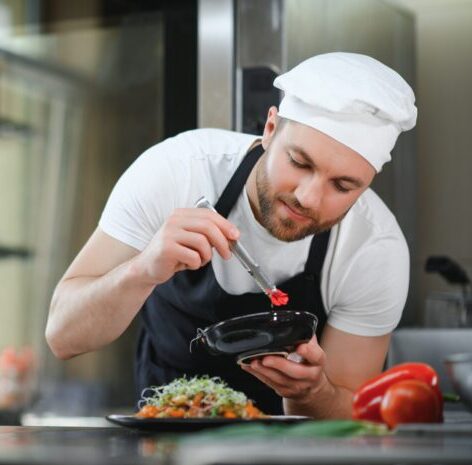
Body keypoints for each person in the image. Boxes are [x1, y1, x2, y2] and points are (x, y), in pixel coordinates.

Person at [46, 52, 417, 418]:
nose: (308, 197)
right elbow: (64, 336)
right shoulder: (177, 172)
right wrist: (143, 269)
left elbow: (350, 419)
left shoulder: (373, 248)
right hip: (163, 440)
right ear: (270, 129)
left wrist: (313, 392)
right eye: (300, 163)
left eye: (343, 186)